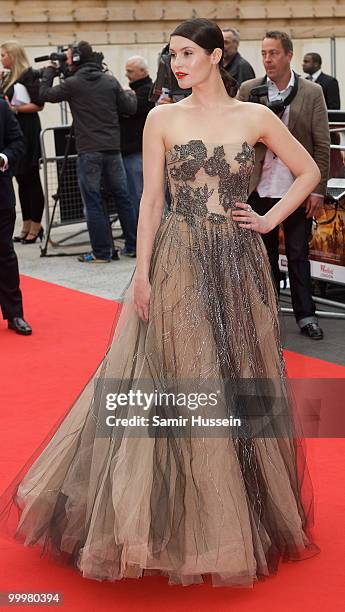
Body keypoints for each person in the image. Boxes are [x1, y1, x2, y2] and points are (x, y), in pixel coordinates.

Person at [0, 19, 321, 586]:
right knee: (179, 374)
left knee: (238, 376)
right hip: (178, 259)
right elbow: (149, 202)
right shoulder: (161, 117)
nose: (177, 62)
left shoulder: (256, 116)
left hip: (241, 263)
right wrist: (141, 275)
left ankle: (238, 509)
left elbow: (310, 169)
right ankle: (176, 516)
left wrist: (269, 219)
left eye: (187, 53)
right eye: (171, 54)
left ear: (215, 56)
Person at [238, 31, 330, 340]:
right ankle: (267, 315)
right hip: (258, 189)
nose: (267, 59)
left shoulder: (312, 92)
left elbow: (322, 145)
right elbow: (237, 140)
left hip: (297, 190)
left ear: (289, 55)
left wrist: (318, 189)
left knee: (297, 254)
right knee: (261, 258)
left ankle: (306, 316)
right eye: (264, 53)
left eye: (274, 53)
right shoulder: (249, 89)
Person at [39, 41, 138, 262]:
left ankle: (101, 252)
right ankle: (133, 246)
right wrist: (129, 94)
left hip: (89, 150)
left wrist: (49, 72)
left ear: (75, 59)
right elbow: (129, 108)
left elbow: (44, 94)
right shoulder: (110, 81)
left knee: (92, 201)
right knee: (123, 198)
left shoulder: (73, 84)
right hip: (113, 149)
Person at [0, 41, 45, 244]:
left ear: (13, 55)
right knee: (21, 180)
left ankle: (36, 225)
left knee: (32, 179)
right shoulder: (8, 77)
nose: (2, 59)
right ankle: (26, 223)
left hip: (27, 130)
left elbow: (38, 104)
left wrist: (15, 110)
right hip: (14, 130)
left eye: (3, 55)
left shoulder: (28, 75)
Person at [0, 97, 32, 335]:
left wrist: (4, 157)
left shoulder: (1, 106)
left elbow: (18, 141)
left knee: (4, 253)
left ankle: (14, 314)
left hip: (0, 196)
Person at [120, 56, 154, 220]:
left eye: (130, 71)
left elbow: (132, 109)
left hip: (137, 151)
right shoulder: (136, 91)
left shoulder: (148, 91)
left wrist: (124, 95)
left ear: (143, 71)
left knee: (138, 195)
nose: (127, 75)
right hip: (132, 151)